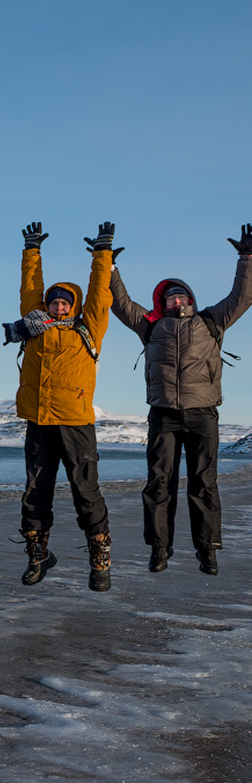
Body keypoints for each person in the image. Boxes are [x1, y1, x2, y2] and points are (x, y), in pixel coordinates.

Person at [108, 223, 252, 576]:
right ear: (163, 300)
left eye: (183, 296)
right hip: (163, 414)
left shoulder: (211, 321)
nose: (178, 300)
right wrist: (107, 267)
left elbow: (243, 296)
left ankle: (208, 550)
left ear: (191, 300)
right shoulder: (151, 326)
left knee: (204, 482)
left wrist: (247, 258)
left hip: (203, 413)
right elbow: (121, 304)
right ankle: (159, 548)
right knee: (159, 483)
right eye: (172, 296)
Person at [2, 222, 114, 591]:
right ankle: (37, 555)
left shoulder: (89, 328)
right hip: (39, 422)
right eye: (54, 301)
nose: (59, 305)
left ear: (74, 306)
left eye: (65, 301)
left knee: (86, 491)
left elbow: (100, 294)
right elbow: (30, 287)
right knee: (36, 490)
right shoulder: (37, 327)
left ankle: (100, 560)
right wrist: (31, 250)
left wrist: (102, 255)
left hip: (76, 424)